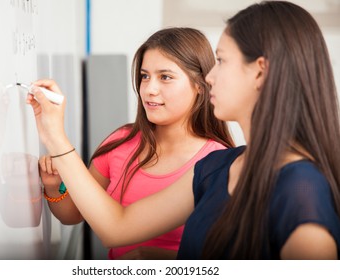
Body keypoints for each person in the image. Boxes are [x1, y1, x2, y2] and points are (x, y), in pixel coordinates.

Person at [28, 1, 340, 259]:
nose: (210, 76)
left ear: (260, 72)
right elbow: (116, 227)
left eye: (221, 61)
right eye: (145, 76)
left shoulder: (301, 190)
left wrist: (57, 139)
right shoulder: (217, 168)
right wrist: (155, 258)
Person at [38, 27, 234, 260]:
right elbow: (73, 214)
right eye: (144, 76)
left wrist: (157, 258)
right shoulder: (121, 141)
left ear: (200, 85)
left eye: (166, 77)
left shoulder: (216, 163)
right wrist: (53, 187)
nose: (149, 89)